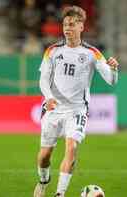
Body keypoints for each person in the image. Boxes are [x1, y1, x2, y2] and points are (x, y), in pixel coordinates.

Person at [33, 5, 119, 197]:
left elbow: (111, 80)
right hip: (53, 109)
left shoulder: (92, 53)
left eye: (72, 24)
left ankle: (59, 194)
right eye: (65, 24)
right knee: (45, 155)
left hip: (77, 110)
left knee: (72, 148)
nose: (67, 28)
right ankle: (43, 180)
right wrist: (48, 98)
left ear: (82, 27)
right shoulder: (52, 50)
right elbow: (43, 79)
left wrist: (113, 69)